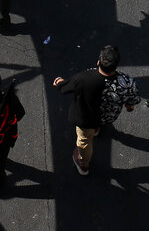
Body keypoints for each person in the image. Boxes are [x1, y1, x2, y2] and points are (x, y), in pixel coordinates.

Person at [53, 44, 141, 176]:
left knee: (84, 142)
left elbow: (65, 87)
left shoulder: (85, 78)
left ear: (98, 62)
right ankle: (97, 129)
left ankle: (83, 164)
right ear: (116, 65)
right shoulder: (127, 82)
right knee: (97, 125)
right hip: (107, 117)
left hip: (87, 119)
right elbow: (131, 102)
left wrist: (59, 82)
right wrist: (129, 106)